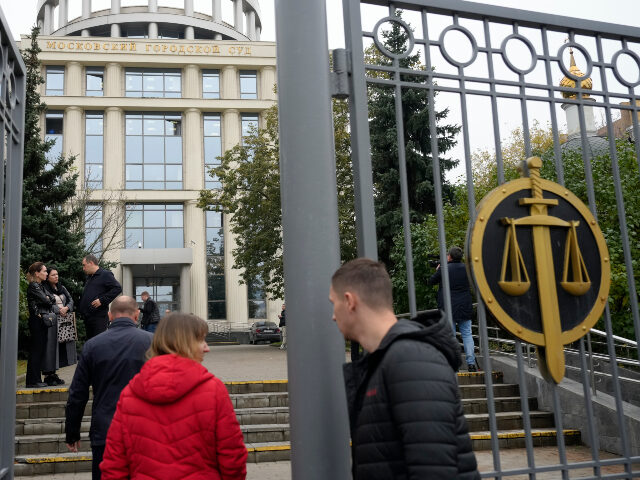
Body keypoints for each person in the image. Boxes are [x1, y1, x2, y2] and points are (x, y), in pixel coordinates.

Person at [330, 258, 479, 480]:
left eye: (333, 303)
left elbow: (434, 470)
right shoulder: (386, 359)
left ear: (350, 301)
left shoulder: (410, 359)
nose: (333, 315)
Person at [101, 313, 247, 480]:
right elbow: (232, 457)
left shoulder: (130, 394)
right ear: (184, 343)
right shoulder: (214, 390)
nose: (207, 348)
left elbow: (114, 463)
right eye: (201, 340)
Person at [66, 296, 153, 480]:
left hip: (105, 431)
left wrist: (72, 433)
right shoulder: (153, 342)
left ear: (109, 316)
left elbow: (77, 394)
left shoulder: (92, 346)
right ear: (137, 315)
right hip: (147, 433)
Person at [429, 246, 478, 372]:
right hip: (465, 306)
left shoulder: (444, 268)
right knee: (467, 334)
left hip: (448, 307)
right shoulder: (467, 268)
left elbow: (431, 282)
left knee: (450, 335)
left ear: (449, 256)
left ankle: (452, 364)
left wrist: (438, 270)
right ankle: (471, 363)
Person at [41, 266, 77, 385]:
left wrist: (67, 308)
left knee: (62, 347)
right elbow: (46, 304)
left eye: (57, 274)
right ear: (48, 277)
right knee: (51, 348)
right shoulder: (44, 289)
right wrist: (58, 309)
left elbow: (71, 300)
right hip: (52, 321)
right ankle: (48, 375)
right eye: (53, 275)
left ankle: (55, 374)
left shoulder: (61, 287)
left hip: (64, 321)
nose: (56, 276)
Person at [25, 262, 56, 388]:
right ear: (37, 273)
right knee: (36, 351)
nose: (46, 273)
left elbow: (52, 299)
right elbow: (47, 301)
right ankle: (33, 380)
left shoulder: (40, 286)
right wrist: (48, 298)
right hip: (36, 320)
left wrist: (48, 298)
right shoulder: (34, 286)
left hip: (40, 320)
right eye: (44, 271)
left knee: (39, 350)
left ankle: (34, 379)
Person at [78, 254, 122, 340]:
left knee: (98, 342)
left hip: (98, 318)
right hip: (88, 318)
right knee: (91, 343)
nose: (83, 268)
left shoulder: (105, 274)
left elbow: (117, 288)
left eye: (84, 265)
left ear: (90, 263)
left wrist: (102, 300)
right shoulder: (89, 277)